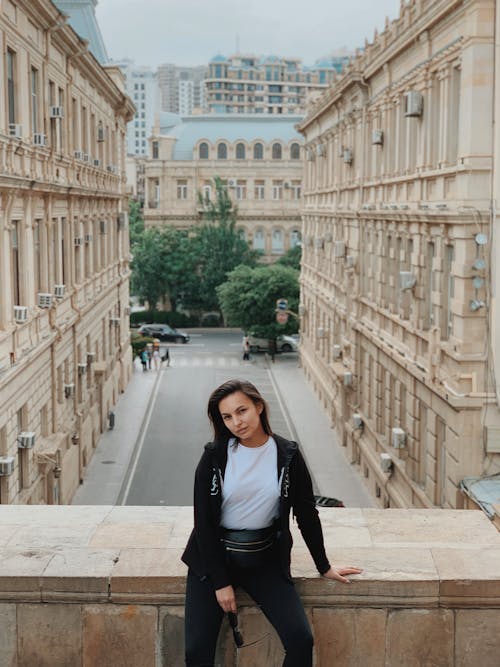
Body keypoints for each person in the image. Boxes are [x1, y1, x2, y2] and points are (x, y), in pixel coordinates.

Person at [182, 379, 362, 666]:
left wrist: (323, 565)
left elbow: (306, 514)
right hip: (212, 560)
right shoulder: (214, 456)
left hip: (263, 560)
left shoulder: (287, 455)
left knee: (301, 640)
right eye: (227, 417)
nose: (236, 422)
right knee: (197, 652)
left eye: (242, 411)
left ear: (259, 406)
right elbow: (202, 522)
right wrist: (220, 582)